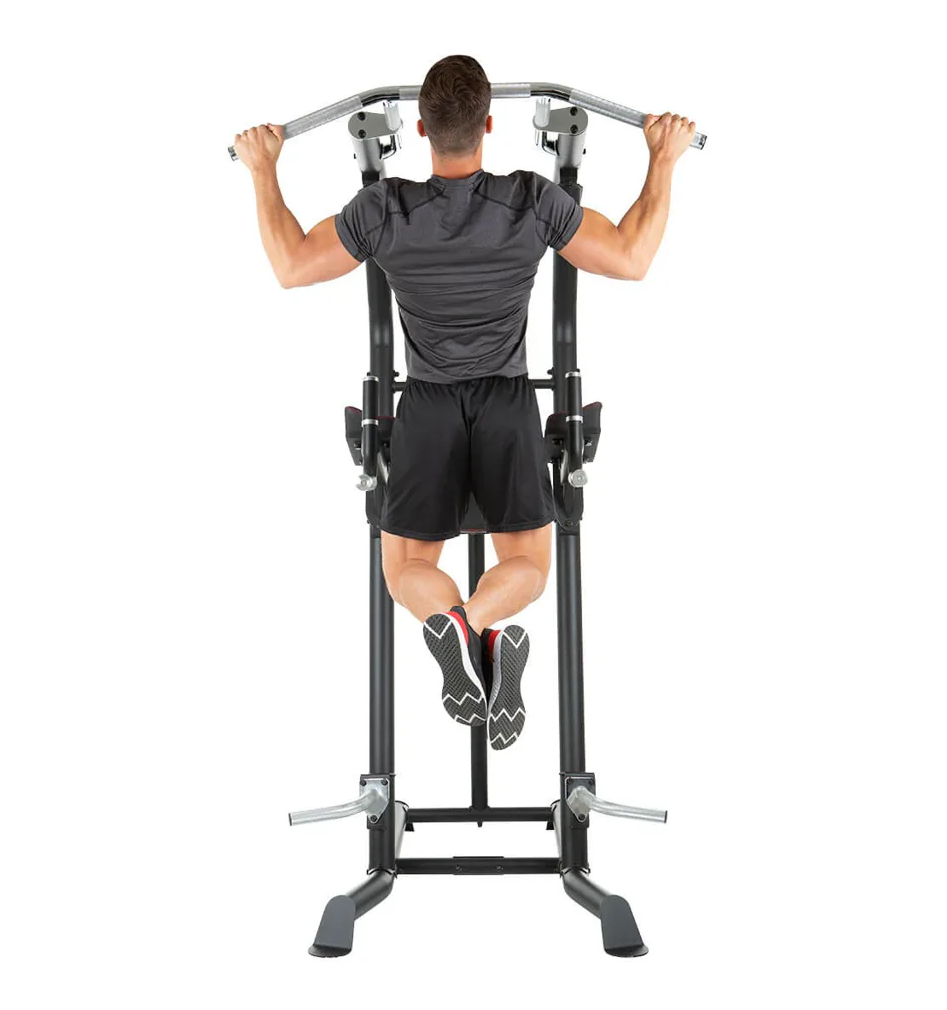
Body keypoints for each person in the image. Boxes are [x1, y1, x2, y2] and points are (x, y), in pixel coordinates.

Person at [232, 55, 694, 751]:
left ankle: (452, 625)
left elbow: (292, 265)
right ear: (488, 125)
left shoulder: (384, 210)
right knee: (530, 567)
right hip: (508, 404)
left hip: (425, 407)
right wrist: (663, 159)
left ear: (420, 129)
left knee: (405, 571)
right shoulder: (531, 200)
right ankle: (476, 623)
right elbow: (630, 257)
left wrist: (263, 169)